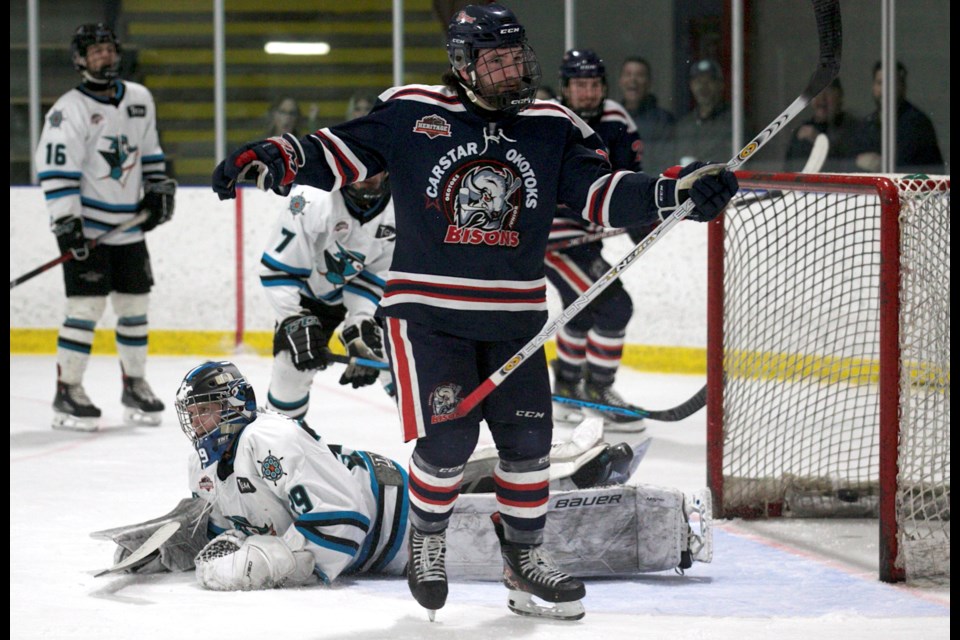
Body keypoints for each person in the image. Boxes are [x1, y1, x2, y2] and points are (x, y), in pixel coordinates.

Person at [212, 2, 738, 621]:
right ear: (462, 65)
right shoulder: (414, 111)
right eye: (496, 61)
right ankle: (428, 535)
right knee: (450, 441)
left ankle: (524, 564)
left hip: (514, 317)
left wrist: (674, 191)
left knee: (528, 444)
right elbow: (339, 151)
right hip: (429, 316)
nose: (512, 71)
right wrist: (277, 154)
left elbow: (600, 193)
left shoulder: (551, 123)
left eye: (517, 57)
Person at [98, 360, 711, 599]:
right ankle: (577, 463)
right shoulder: (207, 463)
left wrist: (270, 562)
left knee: (535, 534)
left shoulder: (267, 438)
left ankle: (674, 520)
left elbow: (344, 528)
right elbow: (228, 517)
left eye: (204, 409)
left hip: (393, 523)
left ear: (232, 407)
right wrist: (170, 541)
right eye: (192, 412)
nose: (195, 422)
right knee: (490, 482)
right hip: (382, 489)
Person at [35, 23, 176, 432]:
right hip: (90, 226)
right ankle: (68, 388)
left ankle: (134, 384)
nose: (103, 56)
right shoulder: (68, 109)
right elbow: (57, 170)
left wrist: (157, 190)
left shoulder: (139, 98)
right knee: (86, 308)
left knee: (135, 308)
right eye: (94, 51)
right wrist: (66, 223)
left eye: (108, 49)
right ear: (80, 60)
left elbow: (150, 151)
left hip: (128, 228)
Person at [547, 49, 649, 432]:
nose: (587, 93)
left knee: (582, 307)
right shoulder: (549, 121)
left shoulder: (618, 121)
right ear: (565, 88)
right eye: (579, 85)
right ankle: (598, 390)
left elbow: (629, 180)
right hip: (552, 242)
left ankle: (567, 387)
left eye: (593, 85)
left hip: (587, 239)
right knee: (614, 306)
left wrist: (640, 214)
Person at [259, 172, 395, 423]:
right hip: (309, 299)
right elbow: (280, 270)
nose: (366, 173)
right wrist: (292, 318)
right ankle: (275, 443)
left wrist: (362, 322)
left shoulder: (403, 204)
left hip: (374, 298)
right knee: (290, 372)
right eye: (359, 164)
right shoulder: (310, 198)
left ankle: (436, 442)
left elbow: (379, 275)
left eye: (374, 166)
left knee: (397, 362)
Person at [851, 61, 944, 175]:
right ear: (873, 87)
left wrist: (883, 164)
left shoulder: (917, 124)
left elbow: (920, 168)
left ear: (903, 86)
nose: (885, 89)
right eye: (880, 83)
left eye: (891, 83)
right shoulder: (867, 124)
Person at [784, 78, 860, 172]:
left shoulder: (853, 128)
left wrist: (819, 140)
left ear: (839, 96)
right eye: (817, 91)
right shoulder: (801, 133)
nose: (822, 98)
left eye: (828, 91)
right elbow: (788, 170)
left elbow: (849, 165)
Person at [617, 56, 675, 175]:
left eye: (640, 75)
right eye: (628, 74)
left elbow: (665, 163)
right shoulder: (611, 118)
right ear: (620, 81)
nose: (633, 80)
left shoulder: (663, 120)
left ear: (649, 83)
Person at [673, 58, 732, 166]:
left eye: (709, 81)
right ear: (691, 85)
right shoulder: (684, 124)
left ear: (720, 85)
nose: (703, 87)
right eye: (698, 81)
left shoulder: (734, 122)